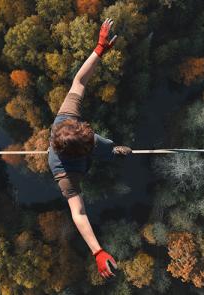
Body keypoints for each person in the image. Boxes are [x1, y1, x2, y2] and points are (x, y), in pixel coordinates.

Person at [48, 18, 132, 279]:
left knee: (107, 146)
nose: (91, 136)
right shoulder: (64, 175)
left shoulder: (66, 119)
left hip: (81, 148)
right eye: (89, 143)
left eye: (89, 135)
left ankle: (113, 150)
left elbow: (79, 81)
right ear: (81, 153)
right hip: (79, 165)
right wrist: (97, 251)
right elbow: (79, 213)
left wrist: (99, 50)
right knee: (104, 150)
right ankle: (112, 152)